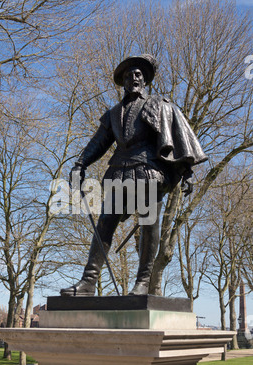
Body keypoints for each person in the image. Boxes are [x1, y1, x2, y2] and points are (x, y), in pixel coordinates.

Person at [60, 54, 207, 297]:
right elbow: (99, 142)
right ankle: (88, 281)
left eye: (138, 74)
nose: (134, 78)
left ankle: (143, 282)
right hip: (119, 173)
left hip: (148, 171)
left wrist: (187, 171)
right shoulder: (113, 113)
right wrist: (80, 164)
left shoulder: (159, 105)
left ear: (145, 80)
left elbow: (179, 139)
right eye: (129, 75)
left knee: (149, 222)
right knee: (105, 221)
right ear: (124, 82)